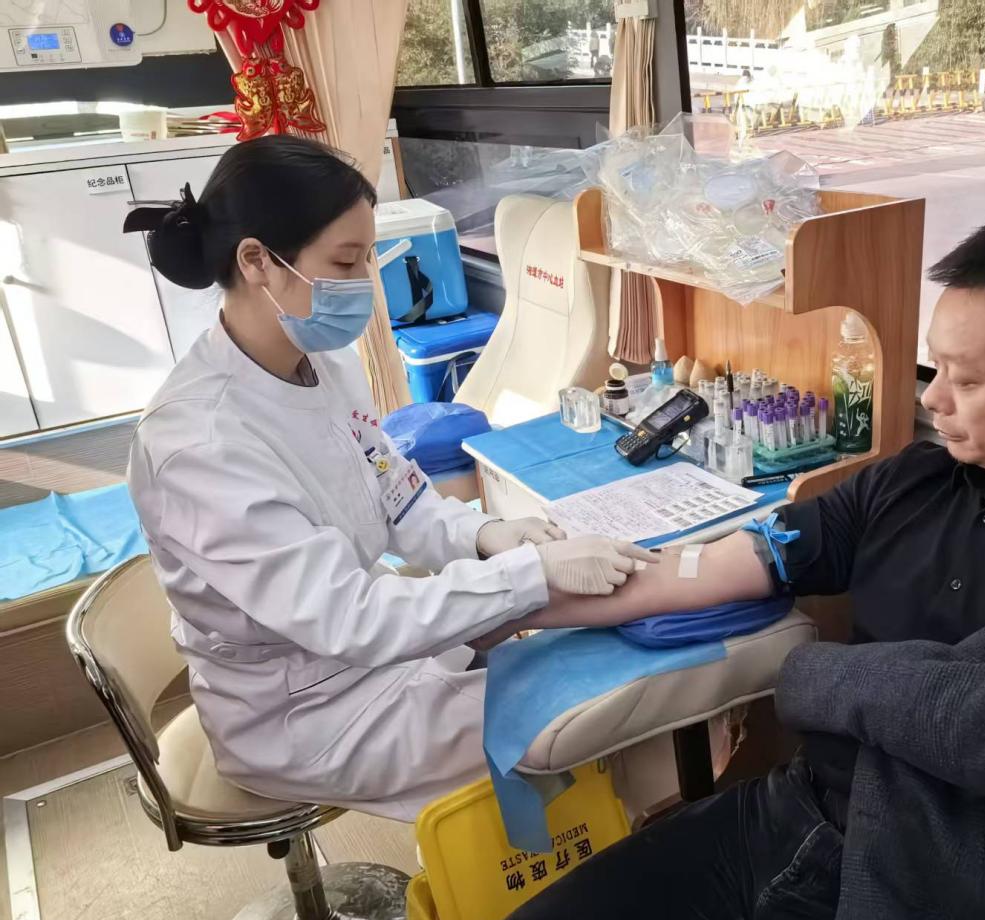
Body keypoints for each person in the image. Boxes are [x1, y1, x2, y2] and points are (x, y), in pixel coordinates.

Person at [477, 202, 985, 920]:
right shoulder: (913, 480)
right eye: (936, 367)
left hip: (950, 880)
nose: (933, 398)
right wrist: (515, 602)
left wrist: (814, 677)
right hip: (797, 815)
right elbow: (719, 565)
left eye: (965, 379)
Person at [124, 135, 654, 820]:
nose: (366, 284)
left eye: (368, 257)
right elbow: (348, 617)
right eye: (346, 261)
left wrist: (489, 536)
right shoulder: (198, 444)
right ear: (256, 261)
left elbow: (397, 495)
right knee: (589, 711)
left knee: (581, 667)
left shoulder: (323, 369)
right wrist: (527, 575)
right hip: (303, 715)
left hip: (369, 659)